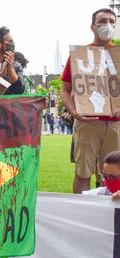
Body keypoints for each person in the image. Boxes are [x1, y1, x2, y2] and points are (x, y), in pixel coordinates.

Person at [60, 8, 120, 194]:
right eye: (102, 21)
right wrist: (74, 111)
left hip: (116, 125)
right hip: (87, 123)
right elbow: (65, 90)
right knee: (83, 172)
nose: (107, 25)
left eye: (112, 21)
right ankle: (81, 213)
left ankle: (107, 217)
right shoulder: (80, 56)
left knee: (114, 173)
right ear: (93, 27)